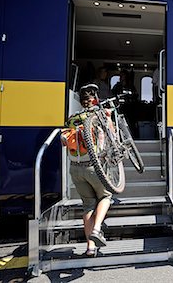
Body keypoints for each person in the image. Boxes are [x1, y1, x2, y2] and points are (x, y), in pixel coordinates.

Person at [61, 83, 112, 257]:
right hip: (93, 166)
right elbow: (110, 135)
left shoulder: (72, 118)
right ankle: (97, 230)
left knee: (88, 204)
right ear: (95, 99)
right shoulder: (100, 115)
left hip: (75, 169)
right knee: (105, 196)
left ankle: (90, 248)